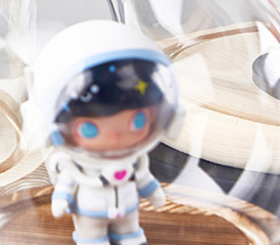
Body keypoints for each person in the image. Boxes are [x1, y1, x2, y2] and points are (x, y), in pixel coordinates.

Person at [29, 20, 184, 245]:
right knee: (92, 237)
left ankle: (129, 237)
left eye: (137, 121)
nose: (116, 137)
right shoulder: (76, 168)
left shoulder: (136, 163)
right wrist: (61, 199)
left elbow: (144, 179)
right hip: (90, 213)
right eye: (90, 129)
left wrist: (154, 193)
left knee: (130, 234)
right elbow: (66, 183)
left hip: (128, 212)